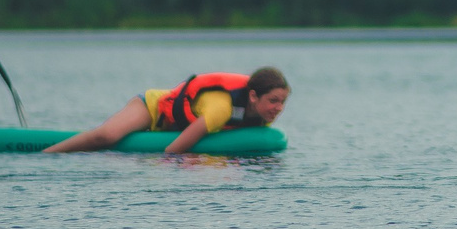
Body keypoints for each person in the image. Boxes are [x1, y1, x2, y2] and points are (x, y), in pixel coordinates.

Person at [42, 67, 292, 153]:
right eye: (273, 101)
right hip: (151, 108)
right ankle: (47, 153)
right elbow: (173, 151)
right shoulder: (221, 109)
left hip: (169, 125)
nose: (278, 108)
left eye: (282, 102)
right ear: (253, 96)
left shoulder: (260, 119)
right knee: (105, 137)